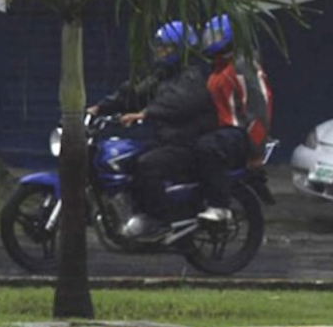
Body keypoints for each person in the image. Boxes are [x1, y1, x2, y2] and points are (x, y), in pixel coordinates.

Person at [106, 21, 217, 240]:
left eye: (166, 47)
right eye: (159, 47)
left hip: (187, 143)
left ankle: (160, 220)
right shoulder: (164, 74)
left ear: (181, 49)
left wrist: (145, 113)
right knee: (128, 158)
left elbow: (178, 102)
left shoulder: (191, 76)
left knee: (146, 165)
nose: (160, 52)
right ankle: (136, 213)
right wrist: (101, 107)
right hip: (168, 140)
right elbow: (137, 92)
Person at [195, 14, 274, 222]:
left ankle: (220, 207)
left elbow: (261, 106)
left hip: (239, 134)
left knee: (207, 147)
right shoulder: (218, 68)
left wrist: (256, 149)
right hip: (222, 131)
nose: (211, 40)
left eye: (217, 36)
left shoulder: (242, 65)